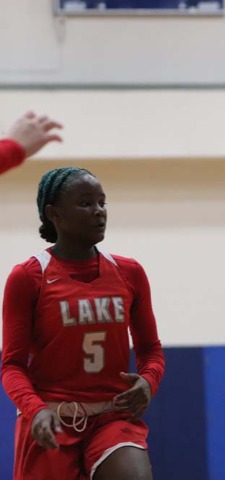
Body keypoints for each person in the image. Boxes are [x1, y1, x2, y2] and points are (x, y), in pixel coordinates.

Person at [1, 167, 165, 480]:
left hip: (112, 416)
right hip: (52, 418)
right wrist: (35, 410)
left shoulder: (129, 272)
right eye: (86, 203)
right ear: (55, 214)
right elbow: (11, 366)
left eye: (102, 202)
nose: (99, 211)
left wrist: (148, 381)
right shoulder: (28, 277)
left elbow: (150, 349)